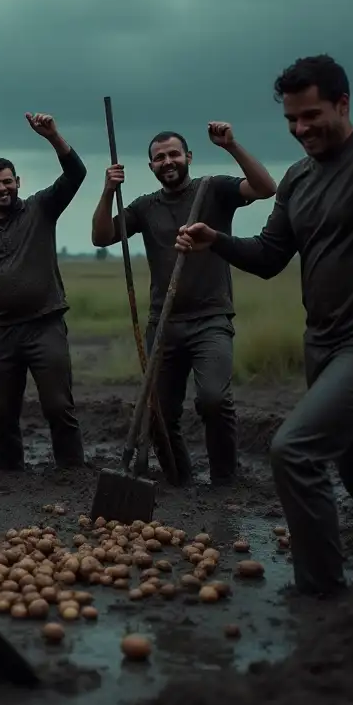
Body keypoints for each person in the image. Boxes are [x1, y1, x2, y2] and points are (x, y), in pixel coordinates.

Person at [175, 54, 353, 597]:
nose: (301, 129)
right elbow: (267, 256)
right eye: (292, 120)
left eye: (311, 116)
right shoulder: (298, 178)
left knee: (295, 451)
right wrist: (216, 240)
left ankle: (320, 593)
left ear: (343, 103)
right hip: (324, 343)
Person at [90, 123, 276, 485]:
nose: (168, 161)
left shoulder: (215, 188)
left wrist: (232, 145)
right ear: (151, 167)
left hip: (211, 318)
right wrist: (109, 190)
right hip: (163, 322)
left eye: (174, 154)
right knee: (158, 410)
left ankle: (224, 482)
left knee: (212, 400)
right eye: (159, 158)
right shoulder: (145, 207)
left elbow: (266, 188)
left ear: (188, 157)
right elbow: (101, 237)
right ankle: (180, 481)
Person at [0, 112, 88, 470]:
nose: (1, 189)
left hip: (44, 325)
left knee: (58, 406)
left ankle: (72, 474)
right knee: (2, 413)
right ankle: (9, 481)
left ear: (17, 181)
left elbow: (76, 174)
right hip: (0, 332)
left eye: (6, 182)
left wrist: (53, 136)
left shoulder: (41, 208)